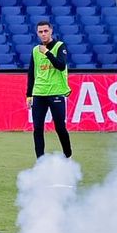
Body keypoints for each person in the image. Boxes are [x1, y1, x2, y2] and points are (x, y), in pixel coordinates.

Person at [26, 19, 73, 160]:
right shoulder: (35, 50)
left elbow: (60, 65)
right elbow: (31, 73)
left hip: (56, 92)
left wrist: (47, 52)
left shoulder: (60, 46)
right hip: (39, 93)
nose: (43, 34)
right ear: (37, 33)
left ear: (51, 31)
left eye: (46, 31)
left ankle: (67, 155)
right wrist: (29, 95)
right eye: (40, 32)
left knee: (60, 127)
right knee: (38, 129)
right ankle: (40, 160)